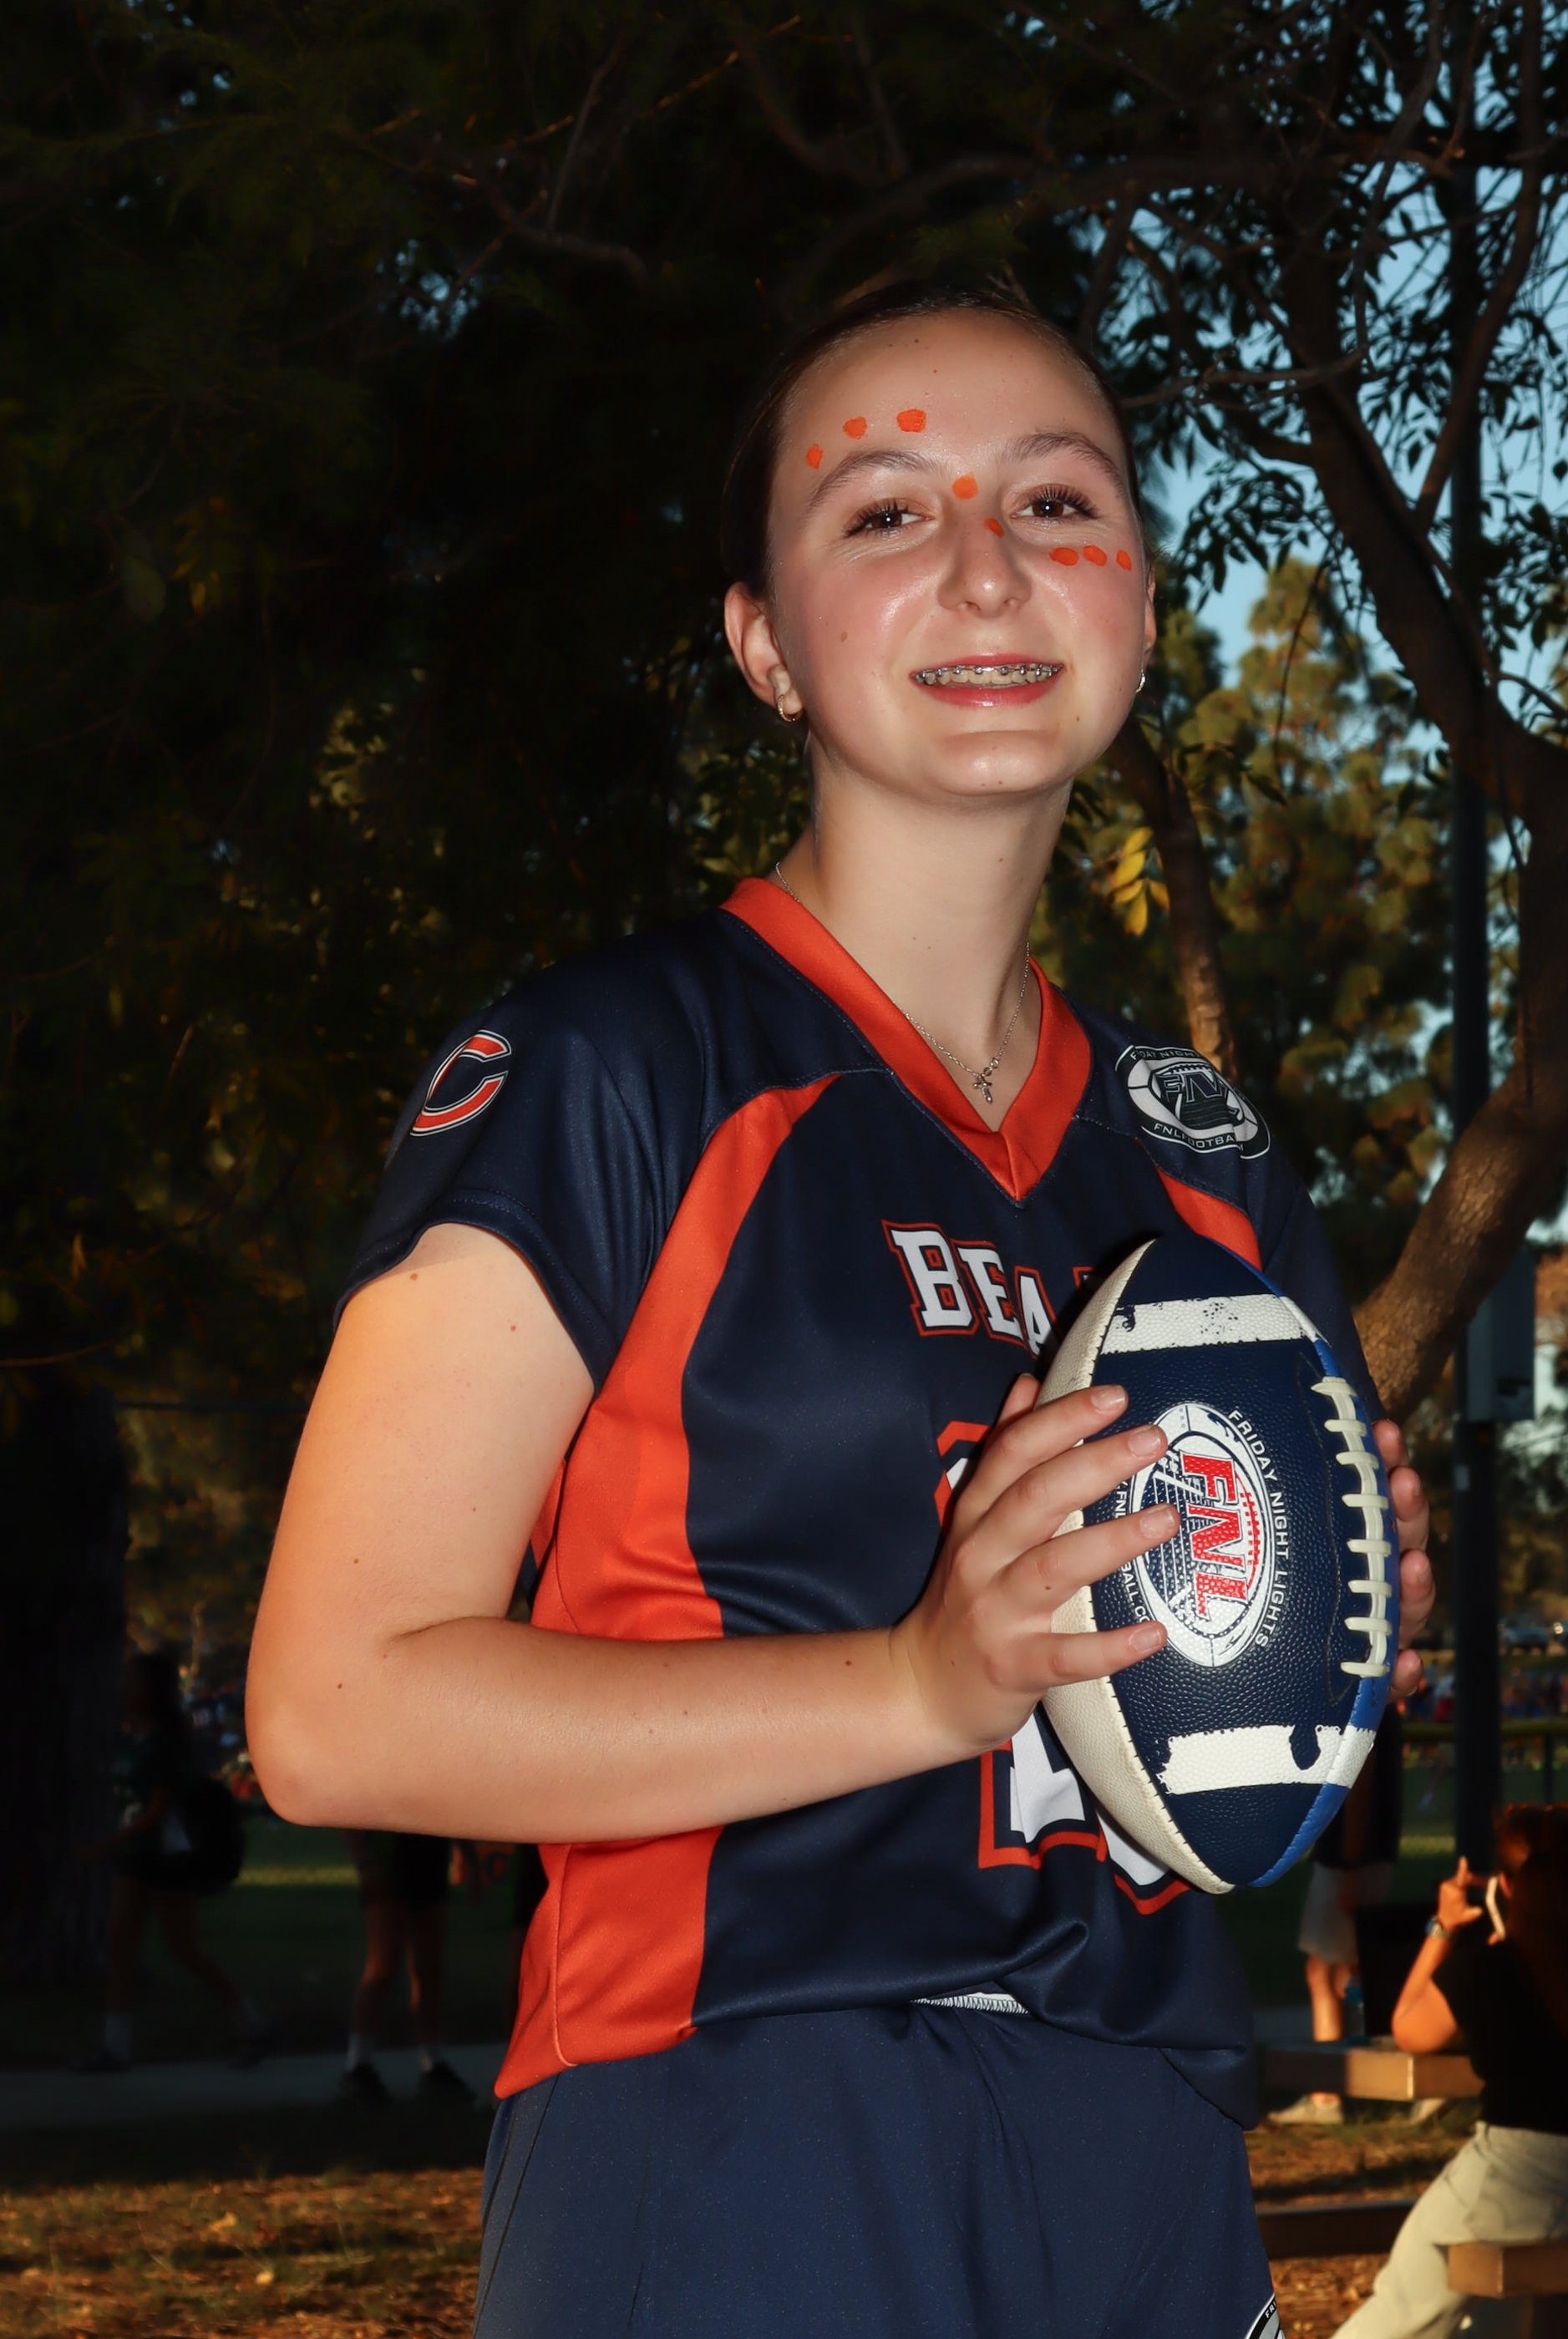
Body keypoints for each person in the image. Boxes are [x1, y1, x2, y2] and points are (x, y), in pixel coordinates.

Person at [246, 282, 1435, 2339]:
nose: (986, 564)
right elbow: (331, 1711)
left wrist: (1312, 1626)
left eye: (1055, 502)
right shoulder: (615, 1067)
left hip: (1149, 2133)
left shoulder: (1207, 1156)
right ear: (762, 641)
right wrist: (913, 1683)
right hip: (741, 2126)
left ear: (1140, 605)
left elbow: (1198, 1765)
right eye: (885, 512)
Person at [1337, 1805, 1568, 2339]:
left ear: (1505, 1886)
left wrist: (1443, 1926)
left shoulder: (1487, 1971)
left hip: (1517, 2182)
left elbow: (1408, 2028)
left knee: (1407, 2299)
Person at [75, 1646, 271, 2073]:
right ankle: (116, 2048)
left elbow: (157, 1814)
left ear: (152, 1691)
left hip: (162, 1859)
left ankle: (252, 2024)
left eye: (133, 1681)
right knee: (122, 1947)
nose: (124, 1688)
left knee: (182, 1948)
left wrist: (104, 1847)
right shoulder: (132, 1738)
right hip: (135, 1858)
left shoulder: (165, 1745)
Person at [1271, 1702, 1403, 2124]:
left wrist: (1349, 1864)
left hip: (1349, 1860)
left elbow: (1359, 1783)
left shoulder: (1361, 1701)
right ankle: (1344, 2084)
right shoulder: (1377, 1703)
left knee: (1329, 1974)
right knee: (1342, 1973)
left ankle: (1328, 2094)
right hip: (1360, 1856)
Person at [340, 1830, 475, 2102]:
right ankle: (358, 2064)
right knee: (382, 1967)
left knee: (429, 1969)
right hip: (391, 1860)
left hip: (430, 1858)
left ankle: (433, 2061)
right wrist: (365, 1863)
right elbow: (351, 1820)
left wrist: (470, 1858)